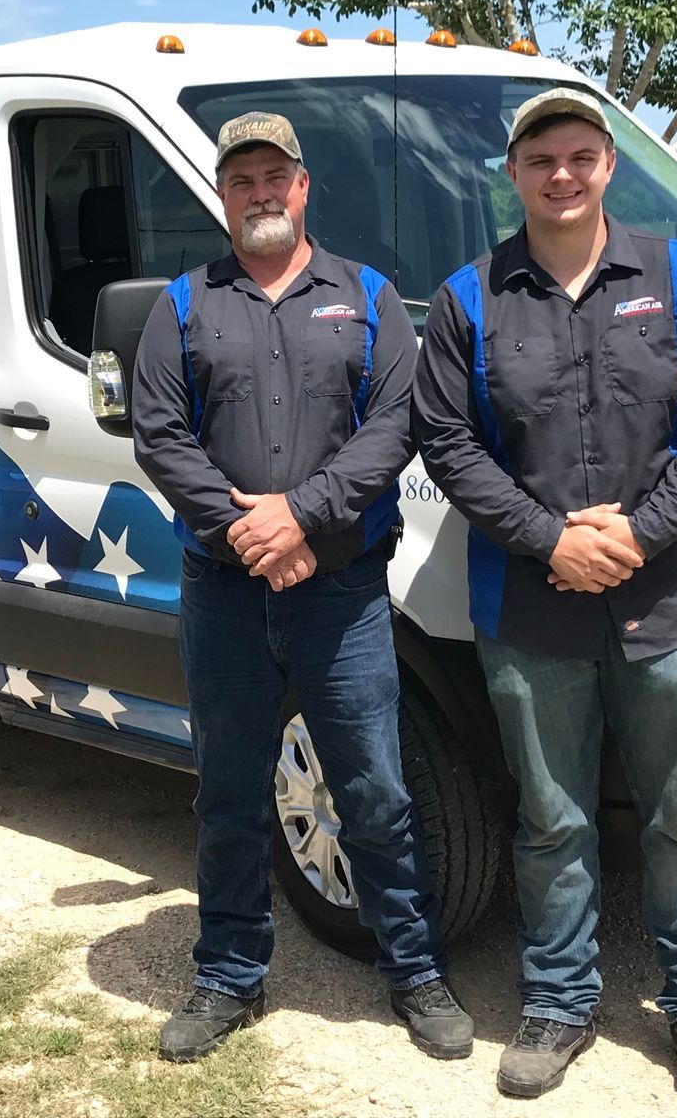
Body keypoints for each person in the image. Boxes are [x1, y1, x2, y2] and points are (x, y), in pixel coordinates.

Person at [410, 88, 677, 1112]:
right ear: (511, 175)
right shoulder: (469, 299)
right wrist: (549, 540)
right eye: (540, 159)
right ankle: (559, 1003)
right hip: (531, 606)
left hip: (673, 601)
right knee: (551, 821)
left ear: (609, 165)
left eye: (580, 156)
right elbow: (451, 444)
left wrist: (639, 534)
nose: (561, 175)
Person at [130, 111, 473, 1065]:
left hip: (343, 592)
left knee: (376, 788)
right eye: (241, 179)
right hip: (226, 593)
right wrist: (253, 534)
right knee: (230, 791)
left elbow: (394, 426)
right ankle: (228, 975)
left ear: (304, 185)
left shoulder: (367, 296)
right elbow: (159, 435)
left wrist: (303, 518)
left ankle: (413, 970)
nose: (260, 193)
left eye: (274, 176)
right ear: (223, 194)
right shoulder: (184, 304)